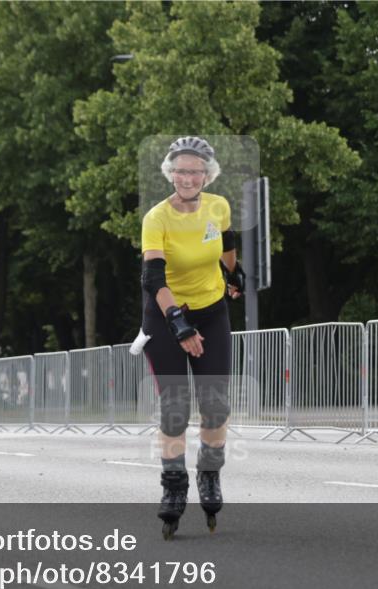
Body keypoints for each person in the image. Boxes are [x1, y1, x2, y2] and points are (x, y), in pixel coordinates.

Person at [140, 136, 245, 539]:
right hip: (165, 314)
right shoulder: (157, 218)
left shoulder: (218, 205)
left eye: (195, 170)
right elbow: (153, 278)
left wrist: (233, 275)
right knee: (175, 409)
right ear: (171, 173)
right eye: (180, 170)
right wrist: (179, 325)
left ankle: (209, 475)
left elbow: (227, 242)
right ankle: (173, 486)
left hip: (212, 311)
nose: (187, 177)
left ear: (207, 174)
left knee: (216, 405)